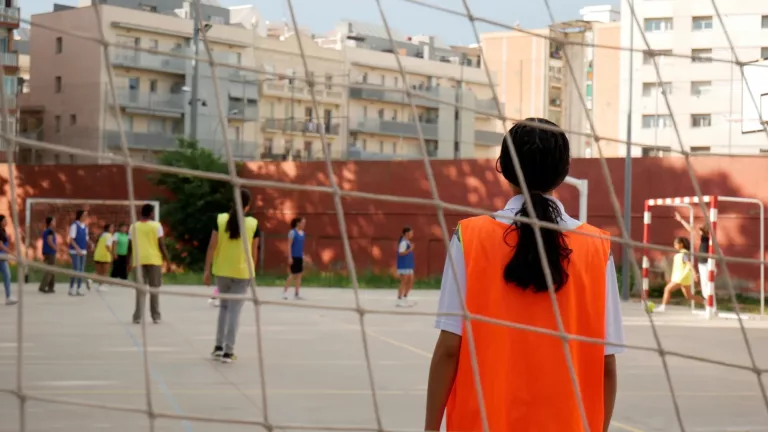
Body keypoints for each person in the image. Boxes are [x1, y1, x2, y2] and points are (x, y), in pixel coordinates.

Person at [425, 118, 624, 432]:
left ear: (502, 166)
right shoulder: (596, 247)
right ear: (564, 169)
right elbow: (606, 365)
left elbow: (450, 347)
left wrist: (430, 428)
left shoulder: (469, 237)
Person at [203, 189, 260, 363]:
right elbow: (254, 251)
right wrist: (252, 272)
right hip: (242, 272)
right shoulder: (253, 223)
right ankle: (229, 351)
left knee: (224, 308)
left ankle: (218, 347)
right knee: (235, 312)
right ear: (248, 206)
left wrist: (207, 269)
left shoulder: (220, 220)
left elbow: (212, 246)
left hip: (222, 270)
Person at [129, 204, 169, 324]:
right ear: (151, 213)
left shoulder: (133, 226)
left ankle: (137, 316)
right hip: (154, 259)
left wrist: (128, 261)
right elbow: (161, 244)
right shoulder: (157, 225)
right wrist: (167, 259)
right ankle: (155, 316)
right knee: (154, 289)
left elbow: (130, 246)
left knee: (140, 289)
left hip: (139, 260)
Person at [656, 236, 705, 313]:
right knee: (689, 296)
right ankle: (706, 302)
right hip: (682, 277)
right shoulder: (680, 254)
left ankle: (663, 307)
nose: (674, 246)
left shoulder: (684, 253)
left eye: (676, 244)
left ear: (681, 244)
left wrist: (694, 273)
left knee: (667, 289)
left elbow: (688, 262)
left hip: (681, 277)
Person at [674, 211, 711, 305]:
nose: (699, 231)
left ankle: (710, 304)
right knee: (705, 284)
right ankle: (709, 304)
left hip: (708, 263)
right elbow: (691, 230)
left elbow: (692, 230)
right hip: (702, 262)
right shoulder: (703, 237)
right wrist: (681, 220)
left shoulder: (709, 238)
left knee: (708, 284)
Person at [67, 209, 92, 296]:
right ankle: (71, 288)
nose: (86, 217)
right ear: (80, 216)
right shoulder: (74, 225)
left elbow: (86, 238)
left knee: (81, 270)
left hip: (83, 250)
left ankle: (79, 288)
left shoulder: (85, 226)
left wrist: (91, 243)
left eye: (86, 215)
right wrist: (77, 248)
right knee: (76, 269)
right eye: (84, 215)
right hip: (75, 251)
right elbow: (71, 239)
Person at [283, 217, 306, 300]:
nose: (304, 225)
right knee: (292, 275)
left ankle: (296, 294)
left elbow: (301, 246)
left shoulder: (303, 233)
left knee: (299, 275)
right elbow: (289, 245)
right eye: (302, 223)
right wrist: (290, 257)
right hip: (293, 256)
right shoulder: (292, 232)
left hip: (300, 257)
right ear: (298, 223)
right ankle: (285, 292)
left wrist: (303, 255)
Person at [0, 215, 18, 305]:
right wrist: (12, 253)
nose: (6, 222)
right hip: (1, 258)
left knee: (7, 276)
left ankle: (8, 296)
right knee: (7, 276)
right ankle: (8, 297)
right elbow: (1, 245)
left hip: (3, 257)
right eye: (4, 220)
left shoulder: (3, 231)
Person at [93, 223, 116, 293]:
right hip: (105, 255)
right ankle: (101, 286)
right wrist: (112, 254)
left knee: (98, 272)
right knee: (105, 272)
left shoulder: (102, 235)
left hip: (97, 255)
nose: (113, 229)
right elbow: (107, 246)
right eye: (111, 228)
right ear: (108, 229)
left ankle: (91, 280)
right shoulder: (109, 236)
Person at [396, 226, 415, 307]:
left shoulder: (407, 241)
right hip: (403, 265)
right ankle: (399, 299)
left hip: (408, 265)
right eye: (411, 232)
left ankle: (405, 297)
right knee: (404, 282)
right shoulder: (403, 242)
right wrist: (410, 249)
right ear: (407, 233)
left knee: (410, 282)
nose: (412, 234)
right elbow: (401, 253)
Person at [38, 216, 57, 294]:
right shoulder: (50, 231)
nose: (55, 222)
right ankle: (43, 287)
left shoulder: (46, 231)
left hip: (47, 252)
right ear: (51, 223)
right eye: (54, 221)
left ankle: (51, 287)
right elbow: (49, 241)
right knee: (50, 270)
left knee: (52, 269)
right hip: (50, 252)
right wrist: (55, 248)